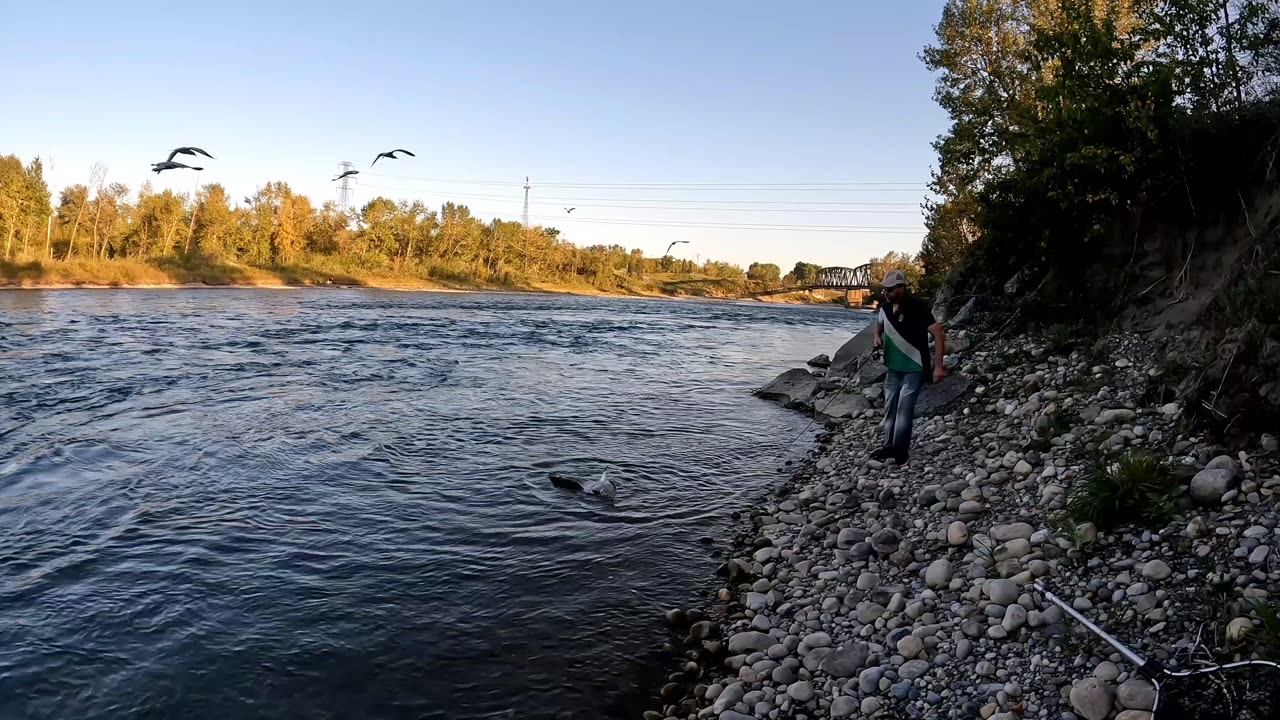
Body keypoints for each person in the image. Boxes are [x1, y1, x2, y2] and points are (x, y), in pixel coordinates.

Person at [870, 270, 947, 464]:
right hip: (893, 367)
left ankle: (900, 453)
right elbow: (879, 323)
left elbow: (938, 333)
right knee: (890, 408)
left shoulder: (918, 307)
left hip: (915, 366)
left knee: (904, 410)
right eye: (885, 289)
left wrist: (938, 367)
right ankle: (888, 447)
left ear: (902, 287)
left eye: (890, 289)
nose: (886, 293)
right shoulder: (885, 307)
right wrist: (877, 337)